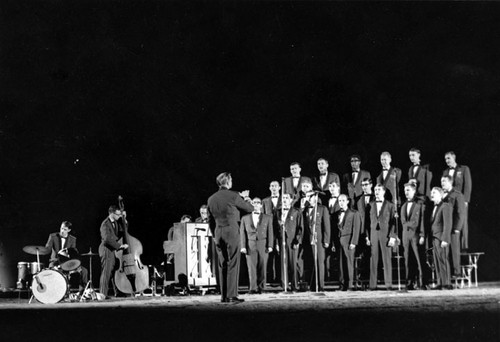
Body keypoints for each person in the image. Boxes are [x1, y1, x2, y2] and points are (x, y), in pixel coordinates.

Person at [207, 172, 253, 303]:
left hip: (218, 231)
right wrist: (246, 198)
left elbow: (210, 221)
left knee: (223, 264)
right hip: (231, 231)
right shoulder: (234, 195)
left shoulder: (211, 198)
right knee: (233, 262)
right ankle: (232, 295)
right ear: (228, 182)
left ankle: (224, 296)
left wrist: (214, 234)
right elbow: (249, 208)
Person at [299, 186, 330, 291]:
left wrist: (326, 240)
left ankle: (320, 285)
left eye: (310, 197)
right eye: (307, 197)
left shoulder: (322, 209)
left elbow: (326, 226)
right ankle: (313, 285)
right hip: (309, 240)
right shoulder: (306, 210)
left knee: (320, 262)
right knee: (311, 262)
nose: (308, 199)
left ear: (315, 198)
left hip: (319, 239)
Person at [240, 197, 273, 294]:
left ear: (261, 205)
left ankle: (262, 287)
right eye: (254, 203)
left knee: (263, 266)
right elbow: (242, 233)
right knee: (251, 267)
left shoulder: (267, 217)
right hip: (250, 244)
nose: (256, 205)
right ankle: (252, 288)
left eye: (258, 203)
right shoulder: (245, 218)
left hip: (263, 243)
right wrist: (243, 246)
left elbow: (270, 232)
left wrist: (270, 245)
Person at [367, 184, 397, 290]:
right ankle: (372, 285)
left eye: (379, 190)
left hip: (386, 235)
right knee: (373, 259)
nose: (376, 192)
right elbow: (367, 222)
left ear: (384, 191)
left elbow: (395, 222)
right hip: (373, 234)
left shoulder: (390, 205)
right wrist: (367, 237)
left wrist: (392, 237)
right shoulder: (370, 205)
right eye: (375, 190)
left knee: (387, 259)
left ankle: (388, 284)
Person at [45, 221, 89, 291]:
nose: (62, 231)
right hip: (55, 262)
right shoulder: (53, 236)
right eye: (61, 228)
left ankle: (82, 293)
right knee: (52, 270)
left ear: (69, 230)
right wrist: (45, 248)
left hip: (67, 262)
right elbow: (46, 249)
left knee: (84, 271)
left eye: (65, 229)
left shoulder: (72, 239)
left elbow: (73, 253)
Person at [442, 151, 472, 250]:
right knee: (450, 222)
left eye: (448, 158)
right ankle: (452, 246)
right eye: (445, 159)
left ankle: (464, 247)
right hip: (450, 200)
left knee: (462, 222)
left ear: (454, 158)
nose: (447, 160)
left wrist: (466, 200)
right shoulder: (445, 172)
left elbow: (467, 185)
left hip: (460, 199)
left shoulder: (464, 169)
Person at [99, 206, 129, 297]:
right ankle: (102, 294)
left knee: (114, 271)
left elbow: (122, 232)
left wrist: (125, 220)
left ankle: (118, 292)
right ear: (111, 213)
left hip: (112, 249)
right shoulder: (105, 224)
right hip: (106, 249)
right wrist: (119, 246)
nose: (119, 216)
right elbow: (107, 239)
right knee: (106, 272)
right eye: (118, 214)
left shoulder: (115, 222)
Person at [276, 192, 303, 291]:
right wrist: (276, 243)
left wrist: (297, 240)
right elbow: (275, 228)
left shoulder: (296, 211)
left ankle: (295, 286)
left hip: (292, 241)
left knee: (293, 264)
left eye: (287, 198)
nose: (284, 200)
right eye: (283, 198)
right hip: (282, 240)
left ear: (291, 200)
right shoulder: (278, 212)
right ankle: (284, 286)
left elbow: (300, 227)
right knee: (283, 264)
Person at [400, 183, 425, 290]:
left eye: (408, 190)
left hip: (415, 235)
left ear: (414, 191)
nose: (406, 192)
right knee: (407, 260)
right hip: (406, 235)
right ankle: (409, 282)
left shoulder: (420, 206)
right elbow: (402, 221)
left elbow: (420, 222)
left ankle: (422, 282)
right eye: (405, 190)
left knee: (419, 260)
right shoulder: (403, 206)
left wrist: (422, 235)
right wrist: (409, 224)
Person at [441, 175, 466, 278]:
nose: (442, 183)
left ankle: (457, 272)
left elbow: (460, 212)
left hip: (453, 228)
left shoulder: (457, 195)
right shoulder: (441, 195)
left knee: (454, 250)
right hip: (443, 228)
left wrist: (457, 228)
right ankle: (446, 274)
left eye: (444, 181)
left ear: (450, 182)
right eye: (441, 181)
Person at [336, 194, 361, 291]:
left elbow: (356, 228)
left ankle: (350, 284)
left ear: (347, 201)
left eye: (343, 200)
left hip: (349, 240)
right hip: (339, 240)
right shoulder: (337, 213)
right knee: (341, 264)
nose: (341, 203)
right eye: (339, 201)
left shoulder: (354, 213)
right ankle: (342, 284)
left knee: (349, 263)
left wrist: (353, 242)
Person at [429, 187, 452, 289]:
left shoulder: (445, 206)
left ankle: (447, 283)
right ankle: (440, 282)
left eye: (434, 192)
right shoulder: (434, 207)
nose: (432, 194)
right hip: (434, 237)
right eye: (431, 192)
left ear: (441, 195)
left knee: (443, 260)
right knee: (437, 261)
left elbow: (448, 224)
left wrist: (445, 239)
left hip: (441, 237)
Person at [262, 180, 282, 284]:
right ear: (269, 188)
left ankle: (280, 278)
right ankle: (270, 279)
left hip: (281, 231)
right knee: (269, 254)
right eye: (271, 186)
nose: (273, 188)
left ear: (279, 188)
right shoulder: (265, 201)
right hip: (268, 231)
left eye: (275, 186)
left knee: (280, 254)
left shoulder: (284, 199)